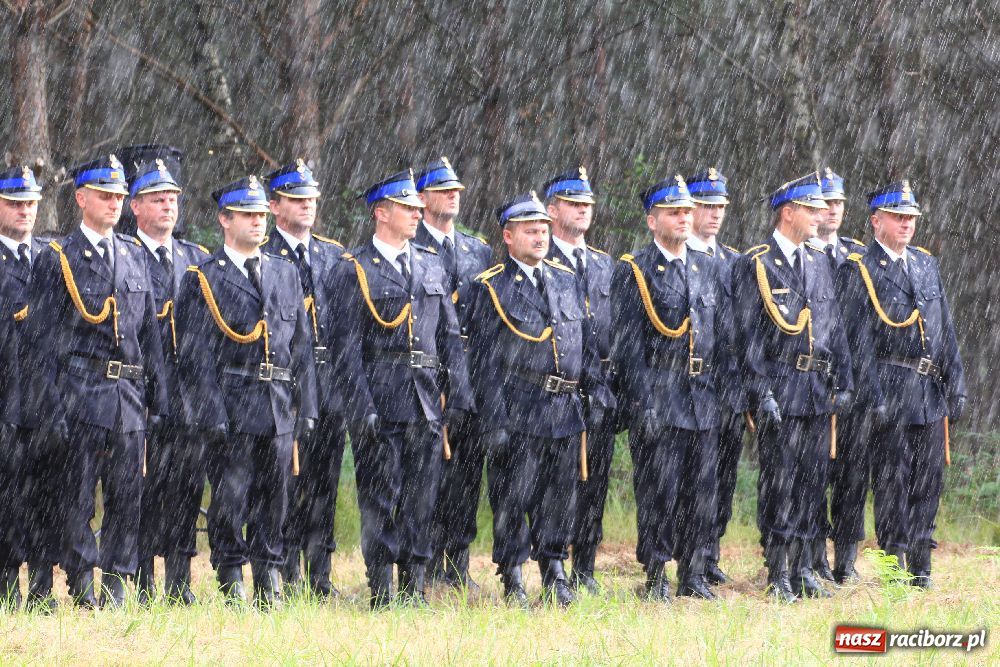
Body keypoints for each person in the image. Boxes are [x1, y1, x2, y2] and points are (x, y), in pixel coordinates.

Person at [24, 154, 168, 608]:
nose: (113, 203)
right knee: (76, 495)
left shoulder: (132, 254)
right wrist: (48, 406)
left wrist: (158, 396)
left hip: (127, 396)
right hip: (80, 392)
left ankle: (119, 579)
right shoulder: (58, 258)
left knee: (127, 493)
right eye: (104, 195)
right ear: (81, 198)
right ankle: (83, 575)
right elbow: (41, 342)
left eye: (119, 196)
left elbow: (149, 336)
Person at [328, 169, 473, 609]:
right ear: (380, 212)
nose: (417, 214)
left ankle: (414, 585)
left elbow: (449, 337)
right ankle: (383, 588)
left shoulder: (430, 266)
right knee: (379, 498)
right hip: (381, 397)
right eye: (407, 208)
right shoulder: (354, 269)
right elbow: (345, 349)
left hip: (425, 400)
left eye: (417, 208)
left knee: (421, 499)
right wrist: (361, 406)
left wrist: (459, 392)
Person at [175, 175, 317, 609]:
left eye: (260, 215)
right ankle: (231, 570)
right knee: (231, 496)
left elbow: (302, 346)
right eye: (248, 215)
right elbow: (195, 357)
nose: (258, 223)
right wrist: (210, 412)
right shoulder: (203, 278)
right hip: (232, 401)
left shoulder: (284, 272)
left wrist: (307, 405)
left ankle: (269, 570)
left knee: (275, 496)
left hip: (276, 404)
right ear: (224, 219)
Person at [466, 191, 607, 607]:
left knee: (558, 497)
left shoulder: (565, 279)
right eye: (530, 231)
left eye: (543, 230)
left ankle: (555, 571)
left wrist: (595, 389)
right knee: (513, 497)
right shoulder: (490, 288)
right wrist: (494, 421)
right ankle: (512, 576)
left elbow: (582, 340)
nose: (540, 237)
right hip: (519, 406)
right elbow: (484, 364)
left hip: (563, 408)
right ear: (508, 237)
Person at [835, 180, 965, 588]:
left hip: (928, 390)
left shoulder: (925, 263)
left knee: (928, 478)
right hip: (890, 386)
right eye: (898, 217)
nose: (907, 224)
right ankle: (894, 564)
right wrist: (872, 397)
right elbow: (859, 341)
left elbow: (945, 328)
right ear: (876, 221)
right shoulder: (860, 268)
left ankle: (921, 564)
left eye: (911, 218)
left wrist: (955, 383)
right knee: (892, 481)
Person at [732, 171, 853, 602]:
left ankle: (804, 566)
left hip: (816, 386)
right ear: (789, 213)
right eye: (812, 209)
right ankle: (778, 569)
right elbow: (747, 335)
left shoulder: (818, 260)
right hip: (781, 384)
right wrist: (758, 391)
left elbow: (833, 327)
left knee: (811, 481)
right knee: (780, 481)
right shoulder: (758, 263)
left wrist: (844, 380)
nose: (821, 215)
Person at [611, 174, 728, 601]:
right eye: (674, 212)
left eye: (686, 211)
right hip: (660, 390)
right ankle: (657, 572)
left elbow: (722, 334)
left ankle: (694, 571)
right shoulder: (635, 270)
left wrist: (727, 391)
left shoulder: (707, 266)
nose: (684, 218)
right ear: (652, 220)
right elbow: (628, 346)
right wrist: (641, 402)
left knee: (702, 489)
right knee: (659, 487)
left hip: (701, 393)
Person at [262, 159, 348, 600]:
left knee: (323, 482)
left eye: (312, 199)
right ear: (275, 206)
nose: (307, 207)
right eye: (297, 200)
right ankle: (284, 567)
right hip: (285, 378)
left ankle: (320, 573)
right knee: (283, 481)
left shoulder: (332, 255)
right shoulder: (265, 255)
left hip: (328, 381)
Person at [130, 159, 210, 605]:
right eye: (158, 199)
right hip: (142, 392)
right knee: (143, 489)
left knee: (186, 485)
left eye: (173, 199)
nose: (167, 206)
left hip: (188, 395)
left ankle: (179, 583)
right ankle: (141, 583)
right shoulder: (126, 253)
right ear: (136, 206)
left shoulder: (195, 259)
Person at [415, 157, 494, 591]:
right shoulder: (413, 247)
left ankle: (458, 561)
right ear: (423, 198)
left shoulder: (477, 250)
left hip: (471, 374)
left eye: (457, 190)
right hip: (427, 366)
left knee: (466, 471)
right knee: (426, 471)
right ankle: (423, 560)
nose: (453, 196)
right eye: (443, 189)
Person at [541, 167, 617, 594]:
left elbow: (617, 330)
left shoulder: (604, 264)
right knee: (558, 485)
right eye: (574, 203)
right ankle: (554, 570)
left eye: (587, 204)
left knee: (596, 482)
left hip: (600, 388)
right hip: (560, 388)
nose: (584, 210)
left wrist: (611, 388)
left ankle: (585, 567)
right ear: (553, 211)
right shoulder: (541, 261)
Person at [0, 165, 60, 612]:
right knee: (5, 496)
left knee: (45, 495)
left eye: (30, 203)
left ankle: (41, 590)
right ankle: (5, 588)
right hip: (4, 397)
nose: (24, 211)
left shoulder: (52, 257)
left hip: (46, 398)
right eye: (14, 203)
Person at [684, 167, 746, 587]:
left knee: (723, 476)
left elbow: (743, 329)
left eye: (721, 207)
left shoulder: (735, 262)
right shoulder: (677, 256)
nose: (715, 214)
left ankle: (711, 549)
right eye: (707, 206)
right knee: (694, 477)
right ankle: (690, 555)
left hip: (729, 385)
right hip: (691, 385)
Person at [810, 168, 867, 583]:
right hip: (811, 379)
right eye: (826, 202)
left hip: (853, 385)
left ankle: (846, 560)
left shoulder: (858, 256)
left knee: (853, 475)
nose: (833, 210)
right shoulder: (799, 254)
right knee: (811, 475)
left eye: (839, 203)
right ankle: (812, 558)